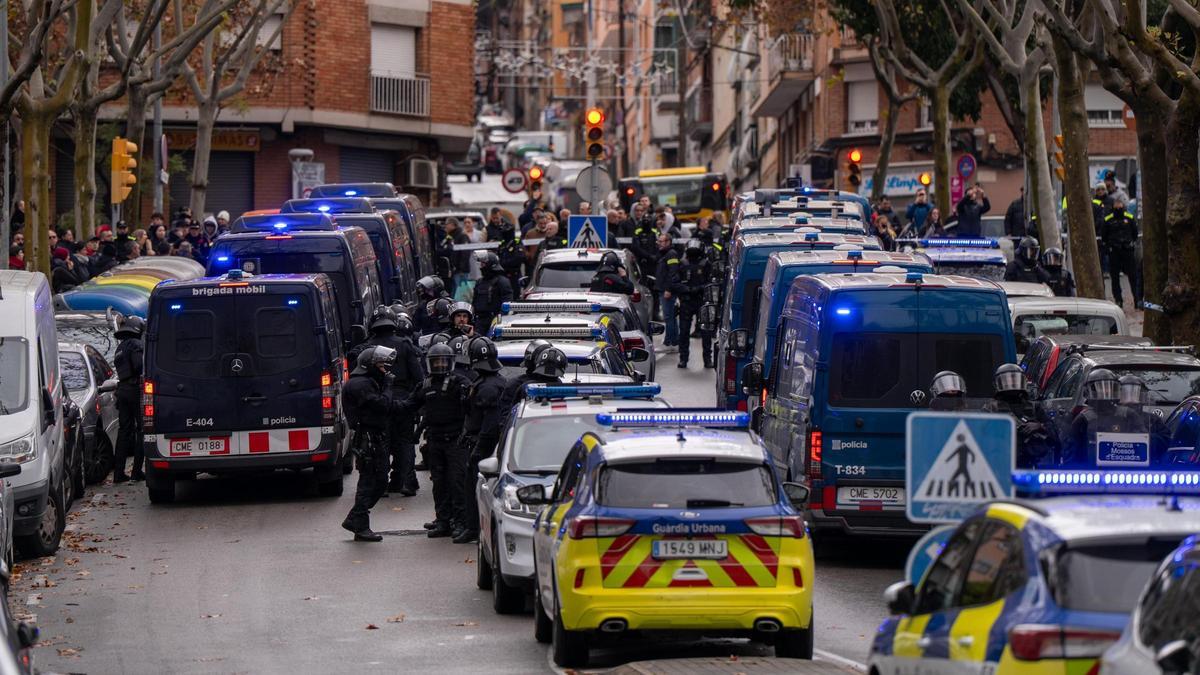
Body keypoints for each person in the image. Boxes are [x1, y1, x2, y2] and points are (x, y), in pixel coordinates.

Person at [354, 306, 424, 496]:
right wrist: (416, 403)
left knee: (381, 444)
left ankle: (381, 485)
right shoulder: (405, 344)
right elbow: (419, 378)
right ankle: (407, 482)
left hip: (379, 402)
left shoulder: (366, 349)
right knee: (406, 443)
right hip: (403, 401)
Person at [340, 346, 406, 542]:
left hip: (374, 437)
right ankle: (360, 524)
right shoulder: (361, 385)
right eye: (380, 365)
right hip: (368, 439)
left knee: (379, 481)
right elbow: (382, 405)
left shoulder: (366, 382)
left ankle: (355, 518)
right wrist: (388, 386)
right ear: (369, 365)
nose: (384, 370)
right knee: (369, 483)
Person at [408, 344, 470, 538]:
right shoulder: (425, 385)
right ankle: (443, 520)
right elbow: (410, 405)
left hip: (456, 441)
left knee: (457, 482)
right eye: (437, 362)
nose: (440, 365)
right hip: (435, 440)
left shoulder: (459, 382)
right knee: (439, 483)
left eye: (444, 361)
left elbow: (471, 407)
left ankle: (460, 522)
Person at [456, 337, 508, 544]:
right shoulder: (490, 382)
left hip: (483, 443)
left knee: (474, 487)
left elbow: (489, 422)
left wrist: (479, 448)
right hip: (478, 439)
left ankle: (474, 528)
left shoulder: (487, 387)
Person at [1064, 368, 1146, 469]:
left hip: (1124, 471)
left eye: (1109, 387)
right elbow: (1072, 448)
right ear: (1089, 391)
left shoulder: (1128, 414)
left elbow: (1142, 443)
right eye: (1100, 388)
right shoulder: (1084, 418)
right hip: (1092, 471)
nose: (1105, 391)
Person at [983, 364, 1057, 468]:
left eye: (1015, 379)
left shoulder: (1034, 407)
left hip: (1029, 464)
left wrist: (1039, 426)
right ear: (998, 383)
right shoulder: (991, 409)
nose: (1012, 383)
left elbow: (1054, 434)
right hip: (1000, 463)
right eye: (1007, 380)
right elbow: (981, 435)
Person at [112, 316, 146, 482]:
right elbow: (139, 366)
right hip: (135, 390)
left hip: (123, 390)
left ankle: (118, 473)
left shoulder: (120, 348)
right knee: (142, 429)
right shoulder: (136, 344)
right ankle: (137, 471)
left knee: (124, 432)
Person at [673, 240, 713, 369]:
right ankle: (683, 358)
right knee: (684, 331)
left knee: (706, 332)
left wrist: (700, 288)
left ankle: (707, 359)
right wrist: (687, 289)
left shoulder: (706, 264)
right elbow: (675, 282)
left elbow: (711, 282)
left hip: (702, 300)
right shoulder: (682, 264)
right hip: (686, 301)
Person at [1100, 197, 1141, 309]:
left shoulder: (1129, 217)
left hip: (1127, 251)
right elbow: (1104, 236)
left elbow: (1135, 234)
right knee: (1115, 278)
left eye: (1120, 203)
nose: (1118, 205)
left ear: (1123, 205)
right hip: (1115, 252)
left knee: (1133, 276)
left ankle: (1137, 299)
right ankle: (1118, 300)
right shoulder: (1108, 219)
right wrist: (1109, 247)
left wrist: (1129, 243)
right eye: (1116, 203)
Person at [471, 251, 513, 335]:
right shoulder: (480, 282)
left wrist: (498, 320)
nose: (481, 267)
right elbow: (474, 303)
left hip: (495, 322)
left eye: (483, 264)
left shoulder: (502, 282)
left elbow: (508, 304)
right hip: (480, 322)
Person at [654, 232, 681, 351]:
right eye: (658, 241)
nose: (659, 243)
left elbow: (673, 273)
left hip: (667, 291)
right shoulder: (664, 254)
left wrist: (668, 289)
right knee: (670, 317)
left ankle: (669, 343)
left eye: (661, 241)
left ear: (668, 242)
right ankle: (674, 342)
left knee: (668, 317)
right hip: (664, 289)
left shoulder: (671, 254)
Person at [438, 218, 470, 296]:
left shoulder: (462, 236)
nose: (445, 227)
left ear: (453, 225)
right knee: (454, 291)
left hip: (460, 271)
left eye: (447, 224)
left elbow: (465, 253)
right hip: (454, 270)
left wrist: (461, 268)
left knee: (460, 293)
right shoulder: (449, 237)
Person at [494, 218, 524, 288]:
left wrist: (503, 263)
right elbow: (498, 255)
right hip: (502, 275)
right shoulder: (502, 243)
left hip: (513, 275)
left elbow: (518, 258)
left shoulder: (516, 242)